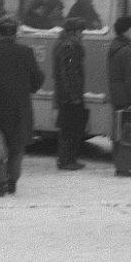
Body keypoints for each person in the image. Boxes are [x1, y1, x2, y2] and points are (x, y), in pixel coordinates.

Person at [0, 16, 44, 197]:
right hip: (20, 107)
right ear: (15, 33)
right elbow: (37, 79)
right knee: (16, 146)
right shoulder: (26, 52)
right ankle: (12, 180)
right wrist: (28, 89)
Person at [107, 15, 131, 178]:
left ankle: (121, 164)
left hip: (117, 95)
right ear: (126, 31)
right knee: (128, 132)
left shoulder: (115, 46)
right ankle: (124, 167)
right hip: (126, 97)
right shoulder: (127, 50)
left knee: (120, 132)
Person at [53, 17, 88, 170]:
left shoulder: (64, 45)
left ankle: (67, 159)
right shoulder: (69, 48)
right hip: (69, 96)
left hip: (66, 94)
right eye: (80, 31)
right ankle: (67, 160)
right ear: (73, 32)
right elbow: (69, 73)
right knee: (70, 129)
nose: (82, 35)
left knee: (68, 128)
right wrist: (74, 95)